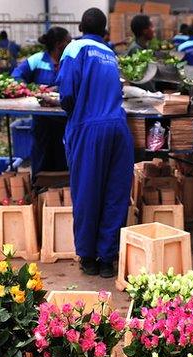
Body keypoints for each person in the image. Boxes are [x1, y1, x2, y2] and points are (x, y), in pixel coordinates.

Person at [57, 8, 133, 279]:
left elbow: (66, 92)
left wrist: (77, 115)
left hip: (89, 129)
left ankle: (88, 257)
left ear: (80, 27)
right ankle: (107, 260)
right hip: (118, 128)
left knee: (88, 193)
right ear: (104, 32)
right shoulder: (110, 54)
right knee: (115, 195)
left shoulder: (74, 48)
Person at [12, 27, 71, 174]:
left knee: (63, 160)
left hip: (64, 121)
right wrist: (33, 90)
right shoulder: (37, 60)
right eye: (68, 42)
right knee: (42, 159)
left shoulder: (69, 61)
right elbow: (16, 76)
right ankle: (40, 191)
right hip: (42, 122)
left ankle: (60, 193)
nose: (71, 45)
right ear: (59, 45)